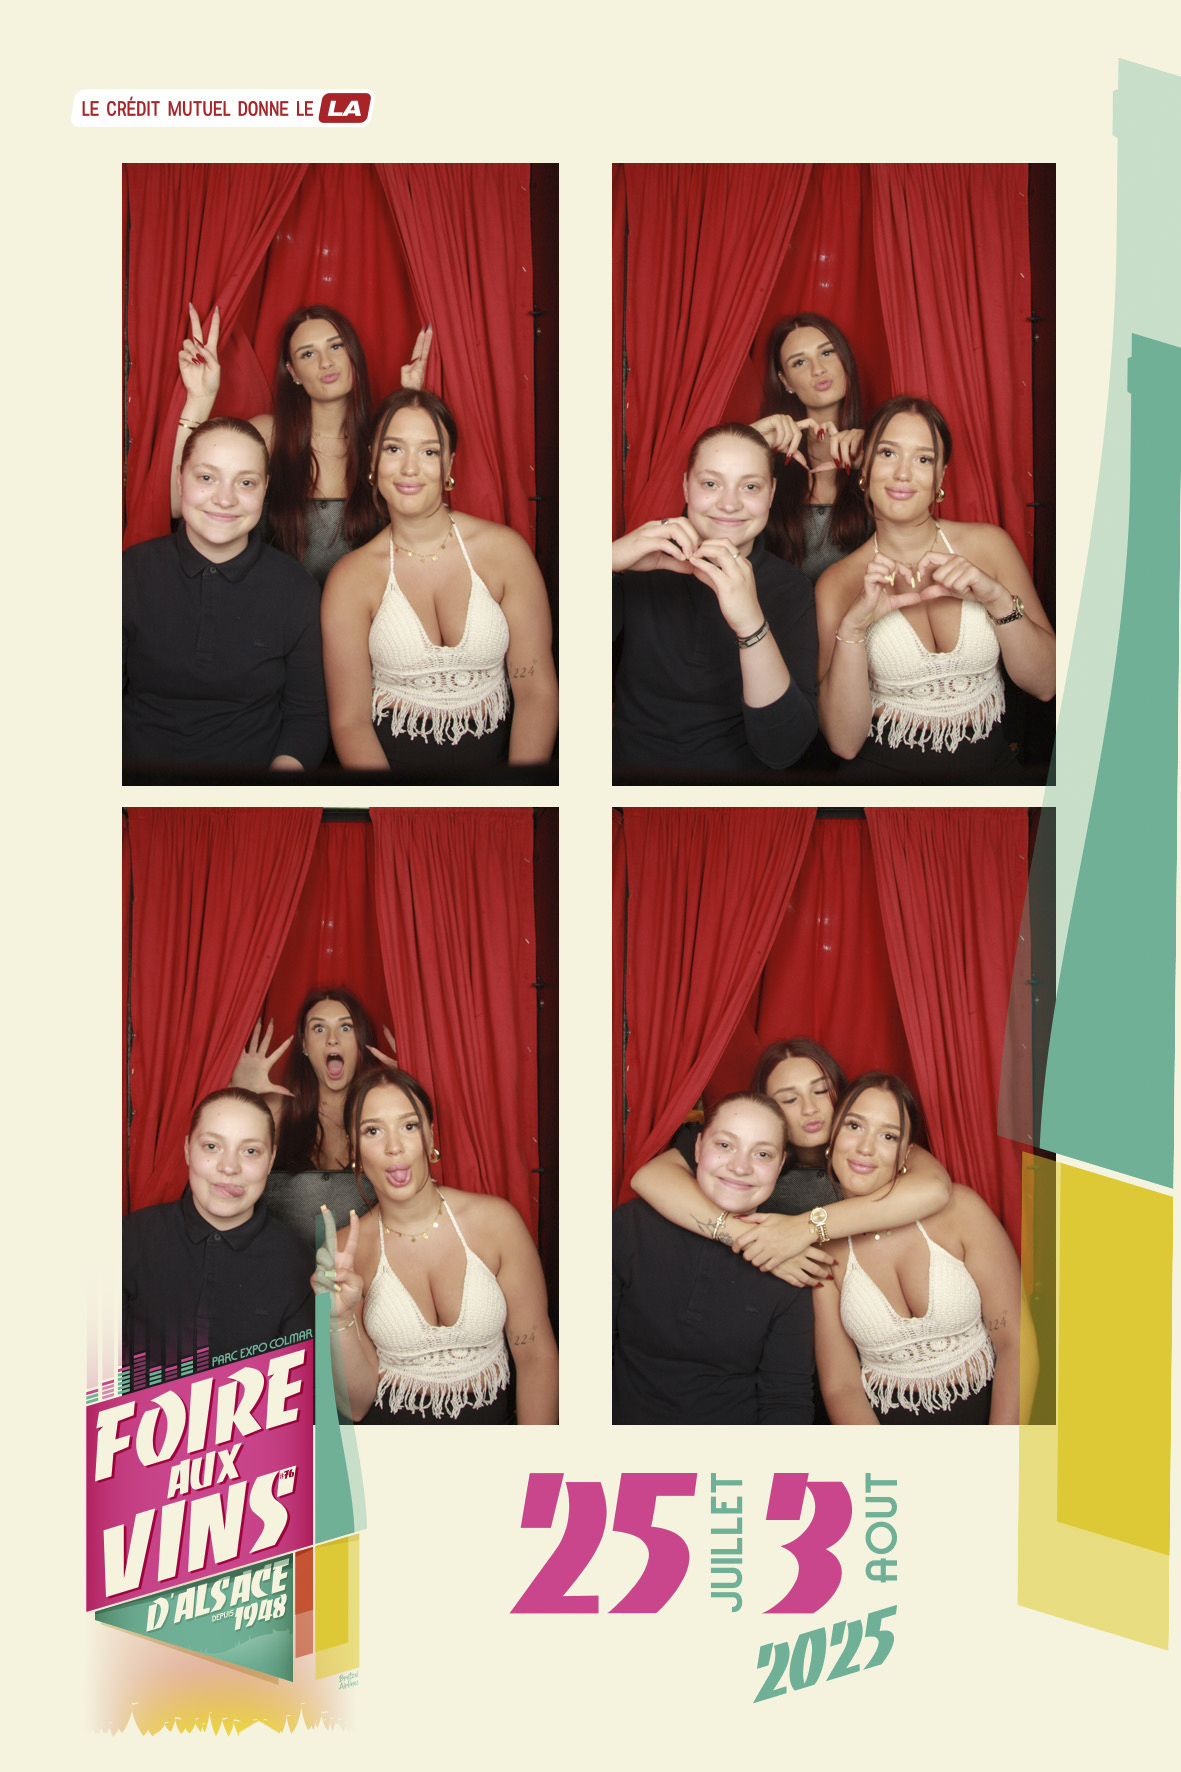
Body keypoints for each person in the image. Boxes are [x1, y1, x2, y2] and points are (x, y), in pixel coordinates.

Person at [815, 396, 1056, 782]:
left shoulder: (990, 546)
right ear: (865, 467)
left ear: (941, 476)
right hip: (881, 782)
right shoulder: (837, 583)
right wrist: (854, 629)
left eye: (924, 459)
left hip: (994, 774)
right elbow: (843, 742)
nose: (903, 474)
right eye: (888, 453)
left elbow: (1047, 684)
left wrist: (997, 599)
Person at [320, 391, 558, 773]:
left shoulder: (506, 552)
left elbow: (536, 691)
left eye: (429, 452)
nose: (409, 468)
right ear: (372, 460)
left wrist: (519, 791)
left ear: (449, 464)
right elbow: (350, 722)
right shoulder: (350, 578)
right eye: (394, 449)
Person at [313, 1068, 558, 1425]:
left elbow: (536, 1357)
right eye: (373, 1131)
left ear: (430, 1136)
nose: (394, 1147)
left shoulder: (497, 1223)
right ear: (355, 1149)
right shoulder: (346, 1249)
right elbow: (356, 1406)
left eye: (409, 1126)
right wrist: (337, 1318)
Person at [630, 1039, 953, 1284]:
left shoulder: (871, 1144)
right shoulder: (747, 1153)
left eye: (821, 1091)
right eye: (789, 1099)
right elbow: (650, 1177)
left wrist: (802, 1229)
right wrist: (752, 1240)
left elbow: (935, 1188)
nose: (809, 1109)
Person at [812, 1074, 1033, 1425]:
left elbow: (1014, 1343)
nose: (866, 1147)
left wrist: (1001, 1450)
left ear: (906, 1153)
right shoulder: (824, 1252)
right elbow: (841, 1388)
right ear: (832, 1137)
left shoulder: (961, 1210)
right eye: (854, 1126)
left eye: (888, 1135)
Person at [170, 303, 431, 586]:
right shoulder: (268, 434)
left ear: (354, 354)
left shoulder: (383, 443)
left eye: (336, 346)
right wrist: (199, 399)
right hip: (270, 604)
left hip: (365, 607)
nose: (325, 362)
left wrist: (413, 406)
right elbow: (177, 504)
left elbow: (422, 516)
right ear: (293, 372)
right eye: (308, 354)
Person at [613, 424, 818, 779]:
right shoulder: (638, 566)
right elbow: (565, 680)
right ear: (685, 487)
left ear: (771, 494)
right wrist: (607, 562)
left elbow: (784, 749)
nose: (729, 504)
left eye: (750, 487)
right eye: (711, 484)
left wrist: (751, 624)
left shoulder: (792, 588)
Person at [123, 417, 328, 774]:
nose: (224, 499)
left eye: (245, 482)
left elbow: (306, 716)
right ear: (179, 480)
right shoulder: (129, 572)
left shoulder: (297, 588)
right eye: (206, 478)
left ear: (265, 488)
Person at [613, 1093, 814, 1424]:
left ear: (780, 1166)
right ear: (697, 1149)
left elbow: (786, 1399)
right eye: (725, 1145)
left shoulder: (787, 1261)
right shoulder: (629, 1227)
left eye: (762, 1154)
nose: (740, 1167)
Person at [122, 1088, 313, 1381]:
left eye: (250, 1151)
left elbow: (298, 1388)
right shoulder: (129, 1239)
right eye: (211, 1146)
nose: (229, 1167)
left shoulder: (298, 1262)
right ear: (188, 1149)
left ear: (271, 1159)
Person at [231, 989, 398, 1255]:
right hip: (280, 1261)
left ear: (361, 1041)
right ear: (305, 1046)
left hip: (368, 1262)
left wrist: (406, 1091)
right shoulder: (276, 1110)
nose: (332, 1039)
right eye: (319, 1028)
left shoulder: (389, 1111)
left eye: (346, 1027)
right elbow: (225, 1162)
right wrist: (238, 1092)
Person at [752, 313, 872, 584]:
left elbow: (909, 538)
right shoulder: (766, 455)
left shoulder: (879, 449)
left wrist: (872, 464)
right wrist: (750, 442)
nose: (818, 369)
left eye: (827, 353)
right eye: (799, 362)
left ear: (846, 360)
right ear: (786, 382)